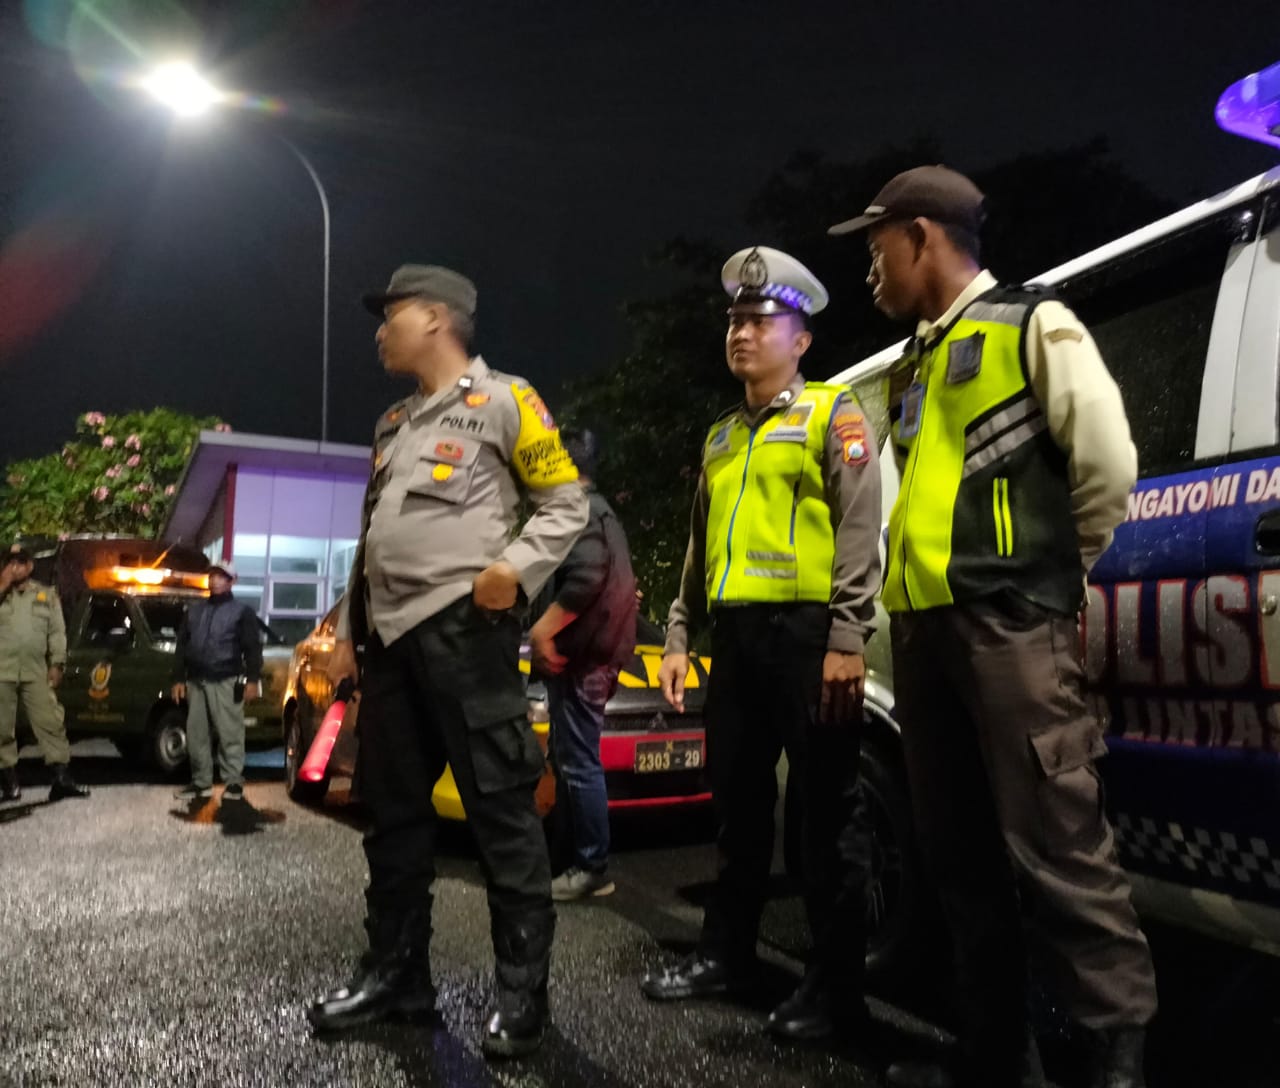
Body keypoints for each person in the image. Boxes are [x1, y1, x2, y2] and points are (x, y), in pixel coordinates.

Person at [828, 165, 1157, 1088]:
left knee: (1059, 856)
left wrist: (1045, 578)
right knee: (960, 862)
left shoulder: (1030, 324)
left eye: (875, 248)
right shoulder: (911, 365)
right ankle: (995, 1066)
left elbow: (1107, 461)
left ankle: (1114, 1068)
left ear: (922, 236)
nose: (871, 271)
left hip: (1009, 631)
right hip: (928, 640)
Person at [308, 264, 588, 1059]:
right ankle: (397, 976)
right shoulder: (394, 421)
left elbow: (566, 501)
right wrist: (352, 634)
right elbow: (375, 540)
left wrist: (515, 571)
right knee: (393, 817)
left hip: (466, 633)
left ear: (436, 318)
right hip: (391, 643)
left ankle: (521, 996)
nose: (378, 328)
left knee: (501, 813)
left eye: (390, 314)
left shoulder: (504, 401)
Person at [640, 246, 882, 1042]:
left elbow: (858, 535)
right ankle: (728, 954)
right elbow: (696, 551)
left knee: (824, 815)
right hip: (737, 641)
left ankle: (836, 987)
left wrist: (848, 636)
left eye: (761, 320)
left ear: (801, 339)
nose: (741, 333)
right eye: (735, 321)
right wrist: (678, 635)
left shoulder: (832, 415)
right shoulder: (718, 439)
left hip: (810, 636)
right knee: (736, 807)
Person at [528, 426, 638, 901]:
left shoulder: (576, 510)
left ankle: (590, 867)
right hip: (598, 655)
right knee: (573, 759)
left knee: (579, 765)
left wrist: (542, 630)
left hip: (581, 659)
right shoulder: (603, 510)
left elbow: (587, 575)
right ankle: (569, 858)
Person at [0, 544, 89, 802]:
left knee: (50, 722)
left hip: (35, 671)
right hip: (2, 670)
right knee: (2, 728)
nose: (17, 566)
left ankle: (61, 778)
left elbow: (56, 632)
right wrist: (3, 581)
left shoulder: (46, 595)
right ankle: (9, 783)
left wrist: (57, 663)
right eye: (11, 561)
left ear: (30, 565)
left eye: (21, 561)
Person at [170, 560, 262, 804]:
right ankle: (201, 783)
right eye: (212, 575)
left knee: (230, 732)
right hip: (197, 680)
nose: (215, 580)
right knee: (196, 733)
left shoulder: (242, 612)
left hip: (226, 680)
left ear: (233, 581)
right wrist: (178, 678)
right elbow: (182, 647)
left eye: (222, 576)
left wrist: (252, 680)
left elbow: (253, 648)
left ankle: (233, 782)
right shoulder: (195, 610)